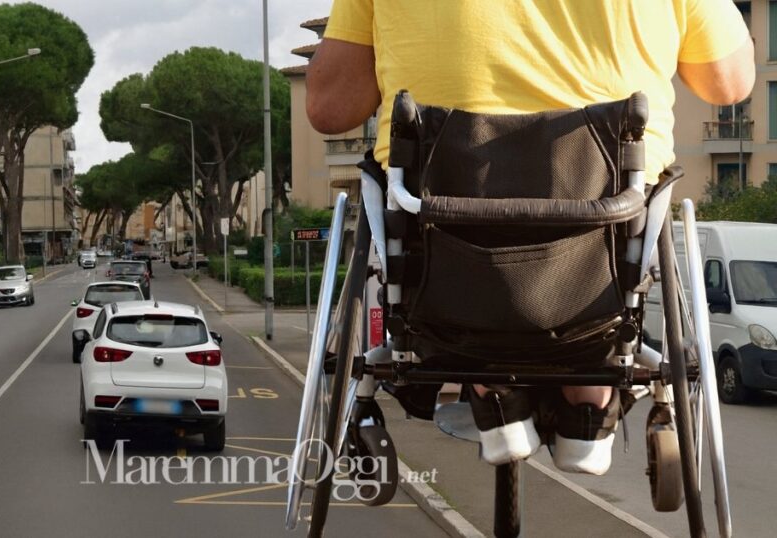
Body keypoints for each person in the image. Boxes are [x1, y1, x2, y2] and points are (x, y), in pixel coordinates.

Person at [308, 0, 754, 475]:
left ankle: (492, 390)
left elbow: (329, 108)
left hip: (443, 262)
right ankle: (588, 401)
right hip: (604, 251)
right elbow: (728, 83)